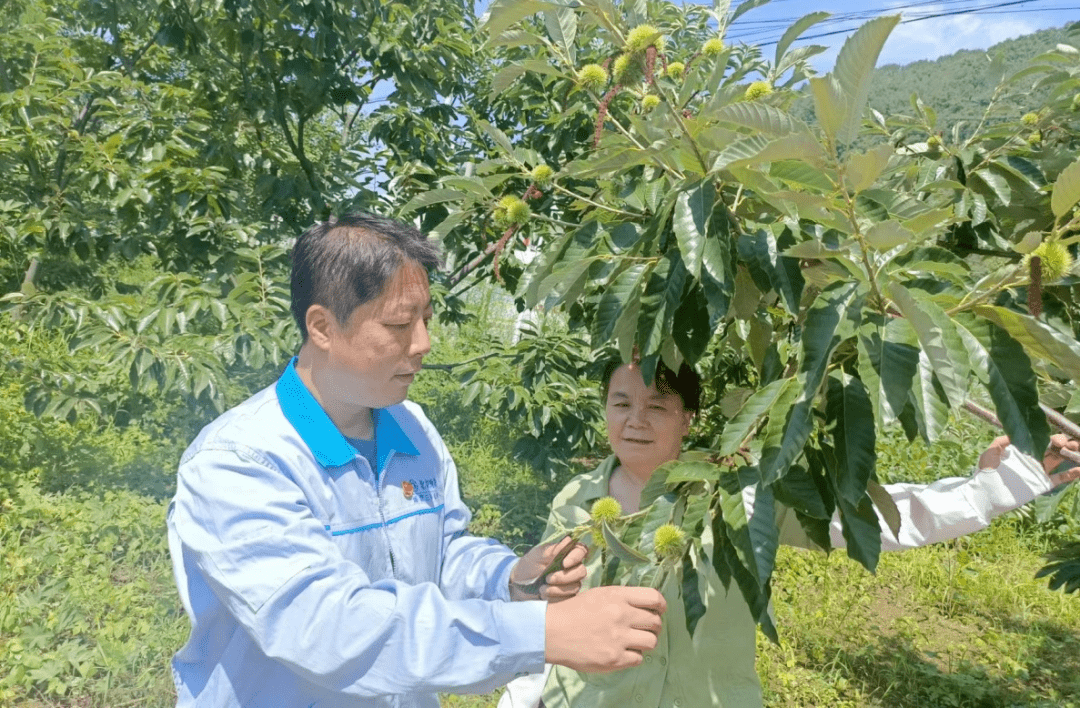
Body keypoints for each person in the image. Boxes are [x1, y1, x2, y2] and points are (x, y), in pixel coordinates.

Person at [166, 213, 667, 708]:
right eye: (400, 324)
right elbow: (326, 628)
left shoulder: (411, 428)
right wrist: (538, 633)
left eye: (426, 319)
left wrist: (510, 579)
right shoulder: (242, 461)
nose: (424, 344)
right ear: (321, 326)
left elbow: (442, 554)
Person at [507, 358, 1080, 708]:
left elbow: (878, 519)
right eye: (621, 402)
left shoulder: (739, 493)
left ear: (689, 420)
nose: (635, 420)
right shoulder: (577, 503)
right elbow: (550, 614)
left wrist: (1005, 483)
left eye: (658, 405)